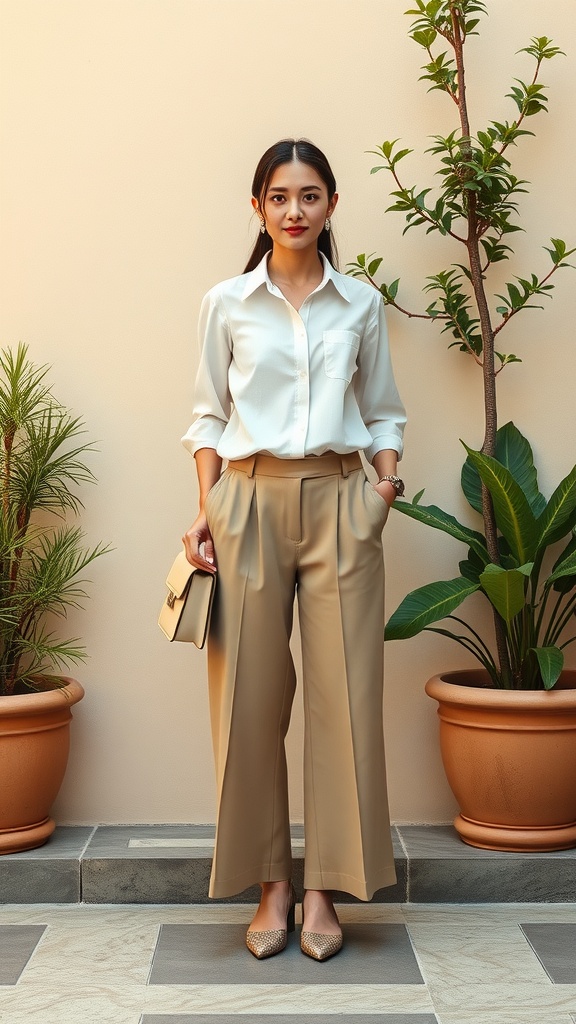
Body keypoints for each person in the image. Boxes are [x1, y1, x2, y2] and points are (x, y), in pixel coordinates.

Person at [182, 138, 406, 962]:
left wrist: (382, 488)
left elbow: (383, 409)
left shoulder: (360, 304)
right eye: (279, 196)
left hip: (342, 501)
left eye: (310, 196)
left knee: (345, 699)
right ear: (258, 207)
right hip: (245, 501)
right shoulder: (227, 303)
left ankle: (324, 892)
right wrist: (207, 507)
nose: (294, 210)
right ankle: (271, 883)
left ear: (331, 206)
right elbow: (206, 415)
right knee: (249, 697)